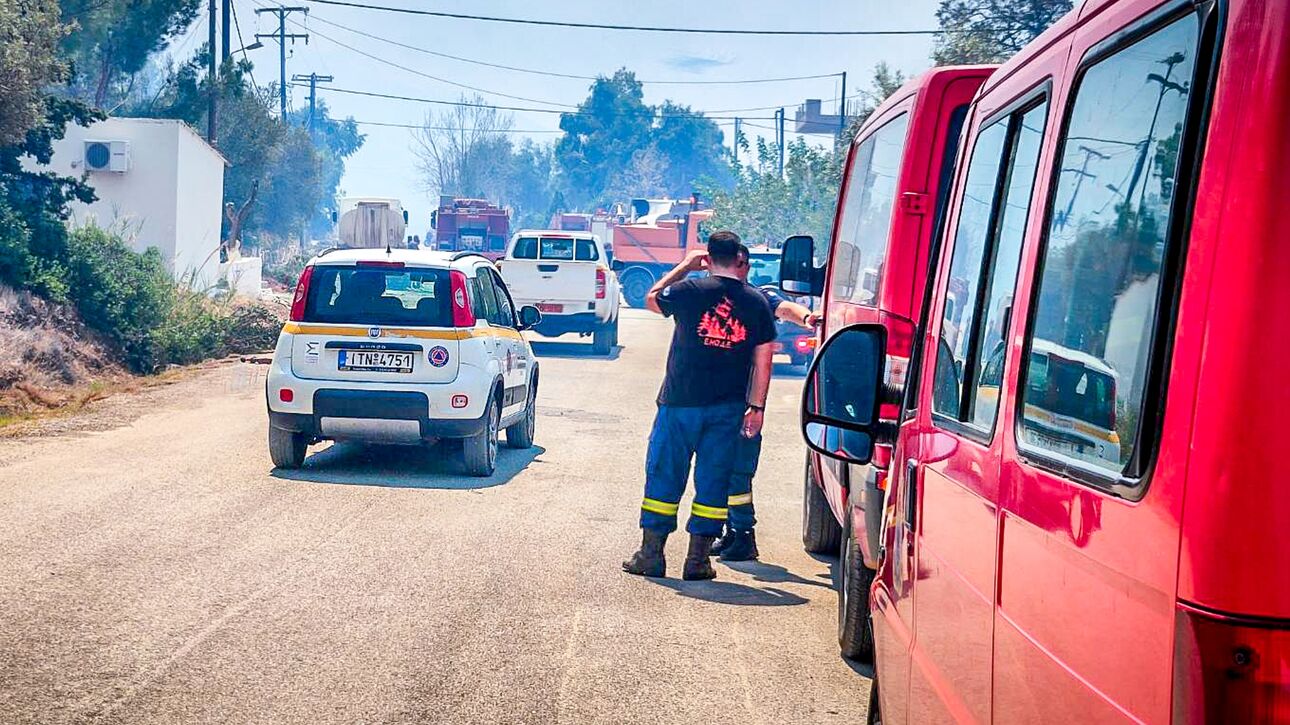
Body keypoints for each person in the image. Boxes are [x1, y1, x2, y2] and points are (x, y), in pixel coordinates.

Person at [622, 231, 778, 580]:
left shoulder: (687, 291)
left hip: (679, 402)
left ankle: (651, 555)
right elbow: (764, 358)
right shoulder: (755, 302)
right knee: (714, 480)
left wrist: (683, 267)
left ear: (707, 258)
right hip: (727, 408)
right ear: (739, 259)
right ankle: (697, 561)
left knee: (664, 474)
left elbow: (650, 298)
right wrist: (757, 407)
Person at [712, 252, 822, 562]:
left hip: (744, 400)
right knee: (718, 470)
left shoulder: (758, 298)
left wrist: (808, 319)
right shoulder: (710, 295)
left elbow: (784, 307)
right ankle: (731, 532)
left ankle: (744, 535)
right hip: (715, 399)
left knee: (738, 471)